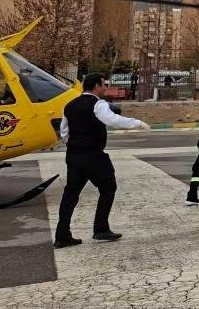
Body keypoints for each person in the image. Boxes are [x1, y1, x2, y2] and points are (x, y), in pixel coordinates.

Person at [54, 73, 150, 249]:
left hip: (74, 155)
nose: (105, 87)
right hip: (93, 155)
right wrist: (136, 123)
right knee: (108, 188)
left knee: (71, 194)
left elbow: (64, 131)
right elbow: (112, 120)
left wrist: (74, 145)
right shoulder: (98, 104)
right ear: (97, 86)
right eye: (104, 84)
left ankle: (62, 235)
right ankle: (101, 228)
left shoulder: (69, 105)